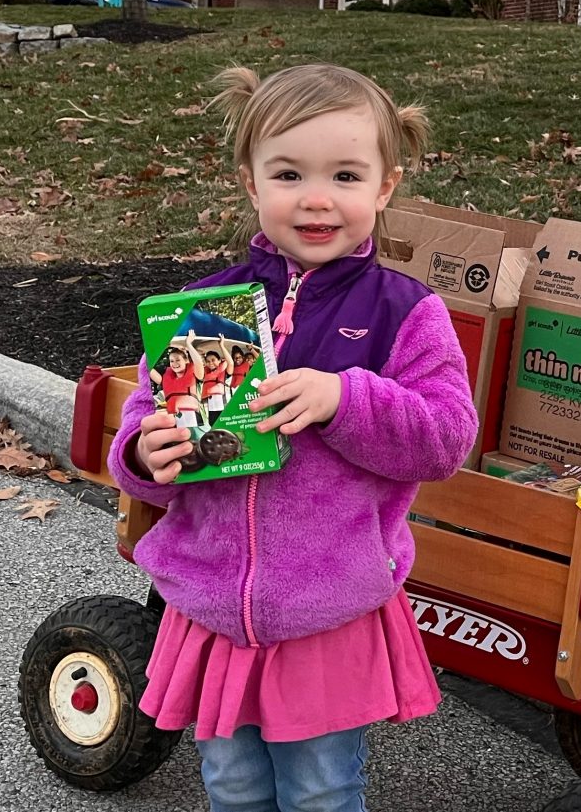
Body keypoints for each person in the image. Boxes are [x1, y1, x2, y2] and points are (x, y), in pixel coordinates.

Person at [109, 63, 478, 812]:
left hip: (324, 607)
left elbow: (445, 436)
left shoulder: (403, 311)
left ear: (385, 186)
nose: (316, 198)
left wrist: (344, 397)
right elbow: (147, 416)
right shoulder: (207, 310)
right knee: (232, 783)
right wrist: (146, 454)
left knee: (319, 790)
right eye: (288, 173)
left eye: (345, 174)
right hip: (212, 603)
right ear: (251, 183)